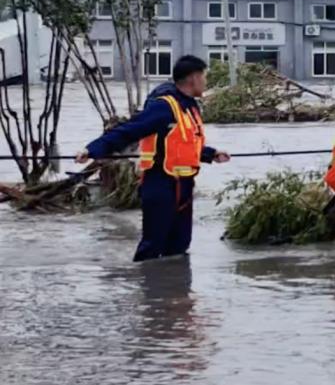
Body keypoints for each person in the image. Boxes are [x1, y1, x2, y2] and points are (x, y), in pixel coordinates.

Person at [76, 56, 230, 262]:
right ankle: (147, 289)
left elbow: (183, 144)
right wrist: (92, 149)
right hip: (159, 184)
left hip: (183, 186)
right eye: (204, 77)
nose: (206, 82)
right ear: (193, 78)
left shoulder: (190, 107)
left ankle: (174, 289)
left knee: (179, 245)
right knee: (152, 245)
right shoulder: (164, 107)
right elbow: (128, 131)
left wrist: (211, 154)